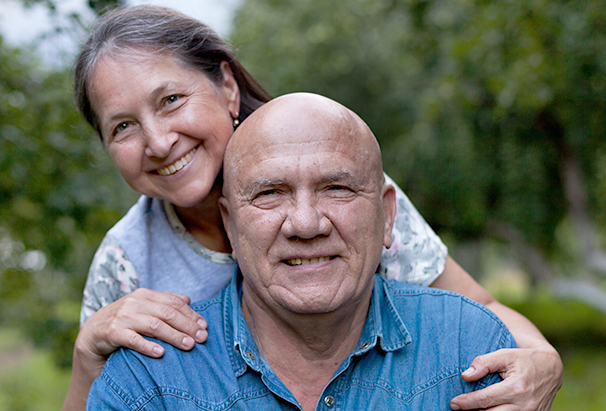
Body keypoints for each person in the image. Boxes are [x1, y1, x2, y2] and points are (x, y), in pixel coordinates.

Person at [63, 5, 561, 411]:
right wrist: (89, 353)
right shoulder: (126, 259)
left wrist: (543, 360)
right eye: (122, 127)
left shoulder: (346, 195)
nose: (157, 140)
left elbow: (479, 306)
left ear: (227, 88)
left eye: (171, 99)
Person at [87, 92, 519, 410]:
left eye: (337, 188)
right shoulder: (147, 384)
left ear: (388, 215)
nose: (307, 224)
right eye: (270, 194)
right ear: (230, 227)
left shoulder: (470, 349)